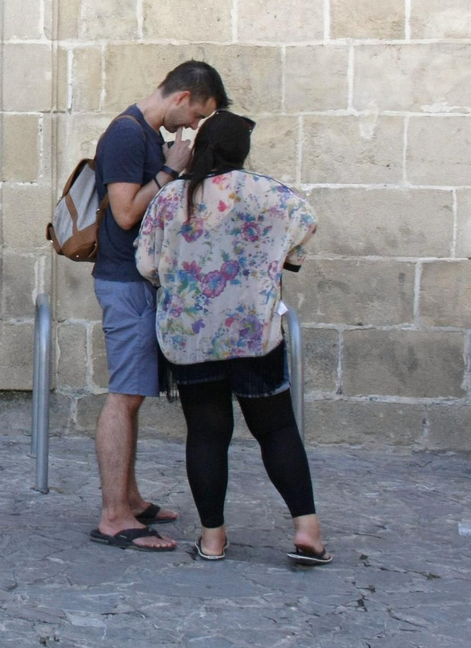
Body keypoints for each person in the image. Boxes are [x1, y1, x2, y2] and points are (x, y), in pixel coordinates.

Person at [135, 110, 330, 566]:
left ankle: (213, 539)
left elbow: (146, 263)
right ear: (242, 151)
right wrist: (282, 260)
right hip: (252, 333)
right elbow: (307, 220)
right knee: (276, 429)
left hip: (189, 337)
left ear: (202, 149)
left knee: (206, 433)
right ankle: (308, 531)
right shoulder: (271, 195)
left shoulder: (171, 199)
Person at [87, 61, 229, 552]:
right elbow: (126, 213)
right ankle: (113, 517)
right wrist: (173, 169)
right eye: (196, 116)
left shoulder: (145, 134)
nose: (193, 126)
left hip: (137, 282)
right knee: (123, 396)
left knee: (135, 395)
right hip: (124, 282)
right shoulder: (127, 136)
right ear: (183, 96)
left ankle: (129, 497)